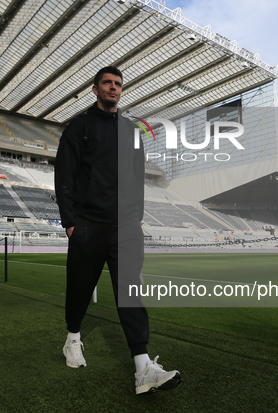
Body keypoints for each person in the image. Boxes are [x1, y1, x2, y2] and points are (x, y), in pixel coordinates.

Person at [54, 66, 181, 395]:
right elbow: (65, 175)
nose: (114, 88)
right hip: (88, 225)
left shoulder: (131, 130)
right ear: (95, 89)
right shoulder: (78, 128)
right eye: (107, 83)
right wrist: (71, 223)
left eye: (118, 84)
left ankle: (143, 367)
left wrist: (135, 217)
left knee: (130, 293)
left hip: (125, 226)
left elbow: (138, 176)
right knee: (80, 289)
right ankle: (72, 338)